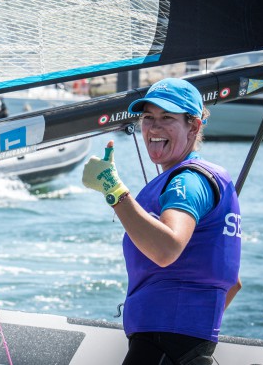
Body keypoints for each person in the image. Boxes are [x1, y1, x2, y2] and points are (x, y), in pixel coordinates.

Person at [82, 78, 242, 364]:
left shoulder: (189, 181)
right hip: (180, 346)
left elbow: (167, 248)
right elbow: (232, 282)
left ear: (193, 126)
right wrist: (192, 327)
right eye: (148, 117)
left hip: (162, 345)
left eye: (167, 118)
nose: (154, 128)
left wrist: (112, 189)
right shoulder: (203, 177)